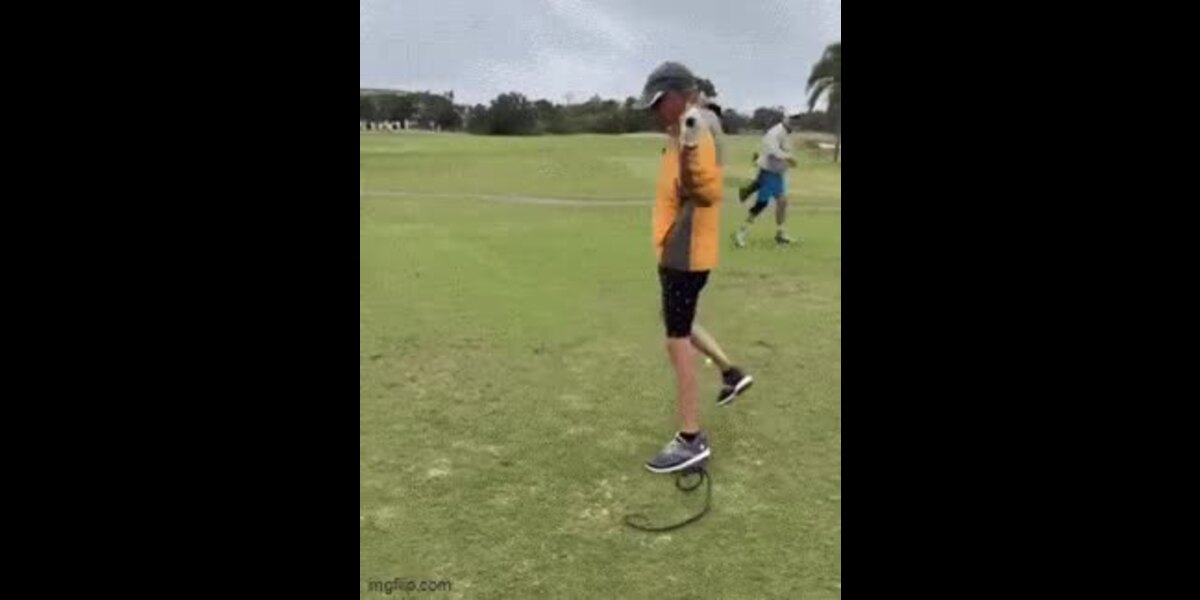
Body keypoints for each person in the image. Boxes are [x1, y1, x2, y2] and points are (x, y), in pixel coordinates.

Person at [634, 62, 754, 474]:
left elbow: (706, 191)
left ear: (680, 95)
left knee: (676, 339)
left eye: (659, 102)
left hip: (684, 252)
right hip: (683, 249)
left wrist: (686, 156)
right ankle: (730, 372)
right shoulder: (689, 125)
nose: (655, 112)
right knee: (678, 324)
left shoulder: (695, 128)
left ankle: (690, 439)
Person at [734, 113, 802, 247]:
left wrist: (787, 161)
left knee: (782, 202)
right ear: (785, 119)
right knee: (761, 204)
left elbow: (784, 151)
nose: (794, 123)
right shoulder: (775, 133)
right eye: (792, 119)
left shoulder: (787, 133)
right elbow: (773, 152)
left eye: (797, 120)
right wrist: (789, 158)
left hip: (777, 174)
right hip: (768, 173)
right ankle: (740, 234)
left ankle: (780, 234)